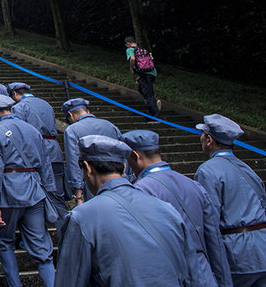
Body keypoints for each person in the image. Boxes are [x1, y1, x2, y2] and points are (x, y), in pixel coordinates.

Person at [54, 135, 206, 287]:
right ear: (124, 167)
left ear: (87, 168)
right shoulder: (167, 209)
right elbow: (194, 276)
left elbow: (70, 280)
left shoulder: (81, 218)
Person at [122, 129, 232, 287]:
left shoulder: (139, 191)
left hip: (170, 274)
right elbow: (214, 241)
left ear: (135, 155)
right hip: (203, 273)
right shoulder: (194, 185)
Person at [0, 94, 56, 287]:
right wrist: (48, 191)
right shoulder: (32, 130)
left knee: (5, 242)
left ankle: (15, 284)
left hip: (8, 192)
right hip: (34, 190)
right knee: (41, 248)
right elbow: (45, 164)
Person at [194, 114, 266, 287]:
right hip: (261, 249)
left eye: (203, 134)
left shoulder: (207, 171)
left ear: (209, 140)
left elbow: (209, 219)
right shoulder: (246, 168)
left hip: (237, 254)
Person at [9, 82, 68, 230]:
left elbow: (19, 132)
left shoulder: (19, 107)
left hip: (34, 152)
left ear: (15, 94)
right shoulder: (46, 104)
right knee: (57, 195)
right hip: (54, 150)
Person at [61, 98, 121, 204]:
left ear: (70, 115)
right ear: (87, 111)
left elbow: (73, 160)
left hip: (93, 180)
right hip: (117, 179)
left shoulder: (72, 130)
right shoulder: (110, 125)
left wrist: (78, 193)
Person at [124, 35, 160, 118]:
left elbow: (132, 59)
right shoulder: (143, 49)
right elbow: (150, 61)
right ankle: (154, 104)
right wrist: (141, 76)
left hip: (146, 75)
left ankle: (156, 116)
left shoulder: (130, 49)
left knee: (148, 95)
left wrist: (131, 68)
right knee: (141, 88)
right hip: (152, 73)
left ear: (128, 43)